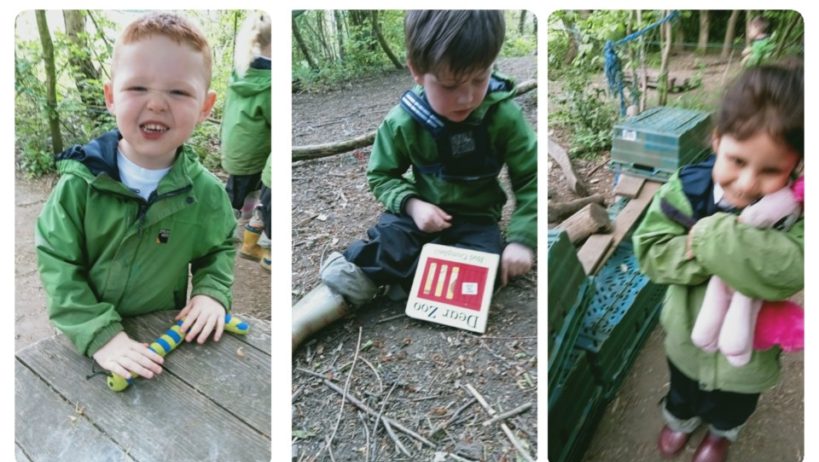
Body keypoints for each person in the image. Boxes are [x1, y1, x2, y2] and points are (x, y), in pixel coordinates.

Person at [292, 9, 536, 349]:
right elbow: (381, 175)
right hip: (417, 217)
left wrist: (522, 239)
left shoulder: (504, 116)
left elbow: (531, 177)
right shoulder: (403, 122)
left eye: (479, 79)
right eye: (450, 85)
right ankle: (301, 320)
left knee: (485, 269)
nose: (466, 97)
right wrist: (413, 205)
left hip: (477, 220)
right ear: (417, 71)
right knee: (384, 246)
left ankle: (405, 280)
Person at [35, 12, 236, 385]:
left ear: (205, 107)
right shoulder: (81, 183)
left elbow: (219, 248)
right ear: (111, 96)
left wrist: (211, 292)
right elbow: (57, 261)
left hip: (160, 335)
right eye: (138, 88)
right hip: (86, 340)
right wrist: (98, 333)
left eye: (178, 92)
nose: (157, 104)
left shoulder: (205, 193)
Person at [633, 63, 803, 462]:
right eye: (737, 160)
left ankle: (721, 434)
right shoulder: (684, 190)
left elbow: (793, 269)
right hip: (686, 337)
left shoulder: (798, 212)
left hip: (750, 354)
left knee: (735, 403)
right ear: (716, 140)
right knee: (682, 390)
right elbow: (651, 251)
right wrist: (704, 256)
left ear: (797, 166)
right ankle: (680, 419)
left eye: (770, 171)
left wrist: (710, 238)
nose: (746, 183)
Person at [220, 12, 271, 260]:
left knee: (240, 193)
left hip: (234, 149)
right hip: (252, 155)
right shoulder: (269, 83)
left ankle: (242, 232)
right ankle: (219, 236)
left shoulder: (240, 72)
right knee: (238, 197)